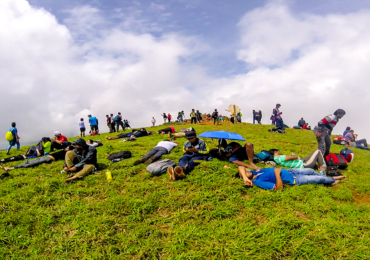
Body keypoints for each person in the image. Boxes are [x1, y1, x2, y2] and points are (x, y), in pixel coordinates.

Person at [238, 167, 346, 190]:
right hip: (295, 179)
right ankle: (332, 180)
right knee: (317, 179)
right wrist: (277, 174)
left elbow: (240, 167)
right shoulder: (258, 181)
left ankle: (329, 178)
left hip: (291, 171)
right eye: (245, 173)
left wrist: (244, 177)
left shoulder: (256, 172)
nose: (246, 170)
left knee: (311, 170)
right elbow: (278, 188)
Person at [0, 146, 73, 179]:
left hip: (48, 159)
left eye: (67, 147)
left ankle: (10, 168)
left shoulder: (67, 153)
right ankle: (11, 167)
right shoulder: (64, 150)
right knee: (28, 162)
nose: (66, 147)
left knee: (30, 164)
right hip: (45, 157)